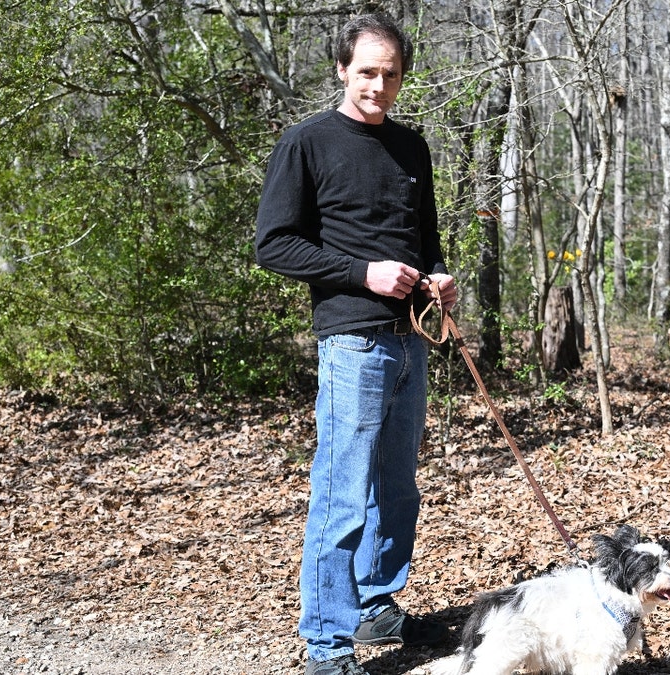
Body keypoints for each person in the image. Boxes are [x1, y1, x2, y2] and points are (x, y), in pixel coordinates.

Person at [254, 13, 458, 675]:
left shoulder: (411, 147)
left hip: (410, 343)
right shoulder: (307, 143)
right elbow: (274, 244)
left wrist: (437, 276)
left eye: (391, 74)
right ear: (342, 69)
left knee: (397, 489)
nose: (380, 85)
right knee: (342, 493)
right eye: (368, 72)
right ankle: (327, 642)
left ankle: (375, 605)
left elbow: (423, 240)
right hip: (351, 343)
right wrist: (360, 272)